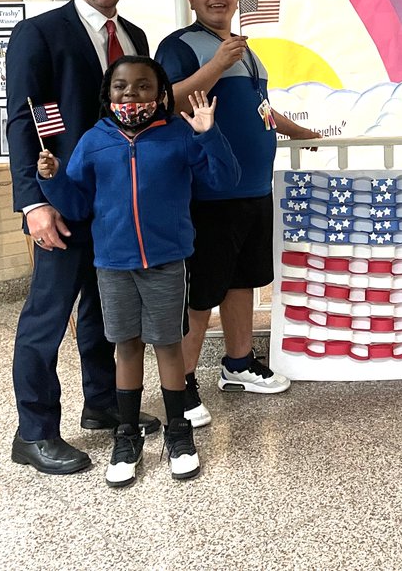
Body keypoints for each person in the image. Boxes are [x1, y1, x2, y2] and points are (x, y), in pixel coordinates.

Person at [38, 57, 239, 486]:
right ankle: (125, 436)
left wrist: (209, 135)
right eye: (121, 87)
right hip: (113, 266)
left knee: (168, 346)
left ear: (161, 94)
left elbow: (225, 180)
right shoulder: (94, 141)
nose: (131, 95)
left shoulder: (179, 136)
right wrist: (53, 181)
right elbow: (76, 207)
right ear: (108, 95)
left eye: (144, 87)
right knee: (126, 347)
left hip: (166, 264)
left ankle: (179, 434)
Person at [6, 0, 157, 475]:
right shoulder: (40, 34)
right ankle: (35, 431)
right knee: (47, 317)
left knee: (103, 312)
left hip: (115, 206)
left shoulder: (135, 36)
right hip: (62, 204)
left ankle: (102, 404)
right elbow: (24, 120)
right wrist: (32, 202)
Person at [156, 0, 320, 426]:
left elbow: (261, 110)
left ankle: (239, 364)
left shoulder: (247, 53)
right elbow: (166, 102)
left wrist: (304, 134)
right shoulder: (181, 46)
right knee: (201, 292)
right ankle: (181, 384)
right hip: (208, 191)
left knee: (243, 279)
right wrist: (217, 65)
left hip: (253, 188)